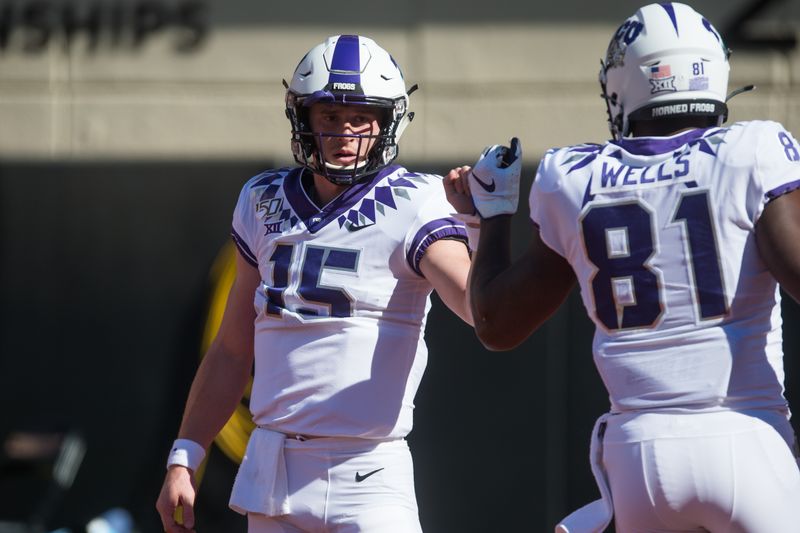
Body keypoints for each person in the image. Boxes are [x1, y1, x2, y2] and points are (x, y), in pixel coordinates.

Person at [450, 3, 800, 531]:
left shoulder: (573, 177)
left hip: (639, 454)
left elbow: (497, 325)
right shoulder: (750, 150)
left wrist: (494, 213)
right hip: (744, 434)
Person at [155, 34, 473, 533]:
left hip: (370, 469)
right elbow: (232, 350)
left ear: (387, 122)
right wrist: (184, 455)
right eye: (329, 116)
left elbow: (479, 307)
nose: (344, 133)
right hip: (275, 466)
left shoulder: (420, 200)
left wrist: (483, 226)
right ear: (302, 118)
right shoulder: (262, 199)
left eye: (360, 117)